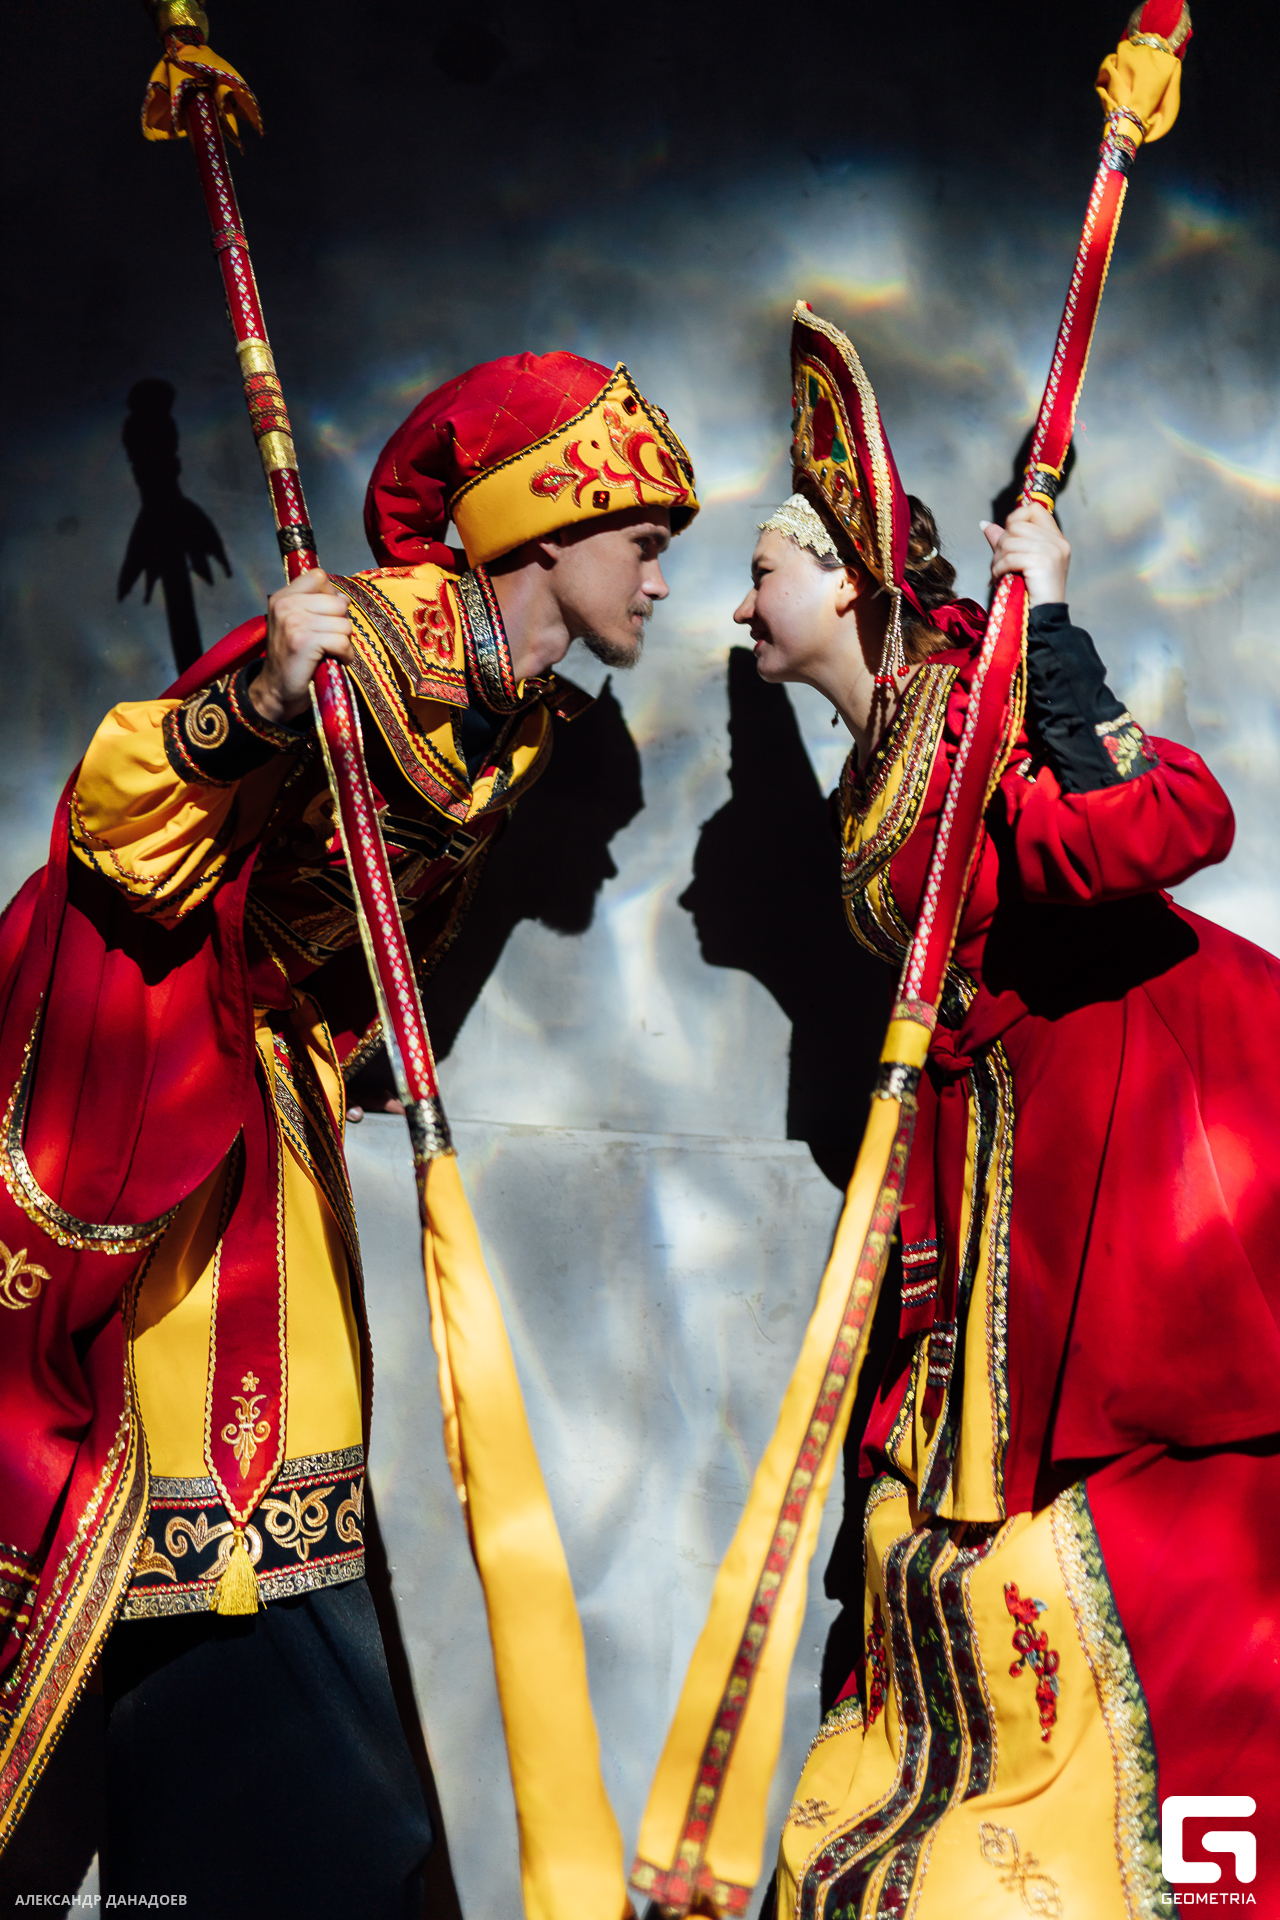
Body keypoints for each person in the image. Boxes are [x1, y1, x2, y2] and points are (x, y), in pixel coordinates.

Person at [0, 349, 697, 1914]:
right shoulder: (366, 637)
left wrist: (357, 1033)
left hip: (284, 1115)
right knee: (219, 1512)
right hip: (179, 1120)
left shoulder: (518, 718)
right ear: (544, 533)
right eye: (643, 543)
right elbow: (117, 820)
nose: (660, 581)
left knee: (291, 1510)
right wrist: (256, 697)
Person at [734, 306, 1279, 1915]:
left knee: (1172, 1521)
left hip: (1153, 1133)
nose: (740, 603)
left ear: (845, 580)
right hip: (1012, 1162)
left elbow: (1170, 820)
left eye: (762, 569)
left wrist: (1053, 631)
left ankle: (1202, 1871)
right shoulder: (888, 748)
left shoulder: (970, 703)